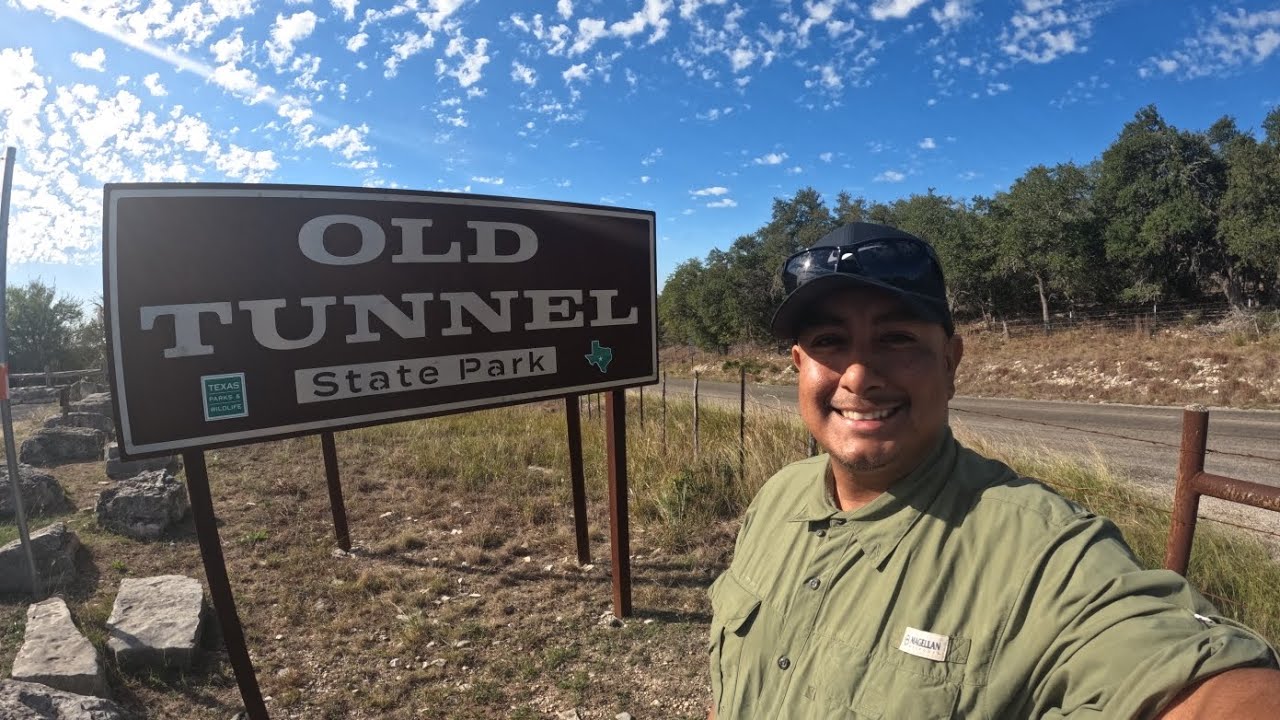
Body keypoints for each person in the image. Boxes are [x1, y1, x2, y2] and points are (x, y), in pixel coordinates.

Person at [706, 222, 1280, 719]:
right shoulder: (777, 497)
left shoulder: (1041, 553)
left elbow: (1196, 679)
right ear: (799, 366)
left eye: (896, 338)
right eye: (830, 341)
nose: (858, 375)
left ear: (950, 363)